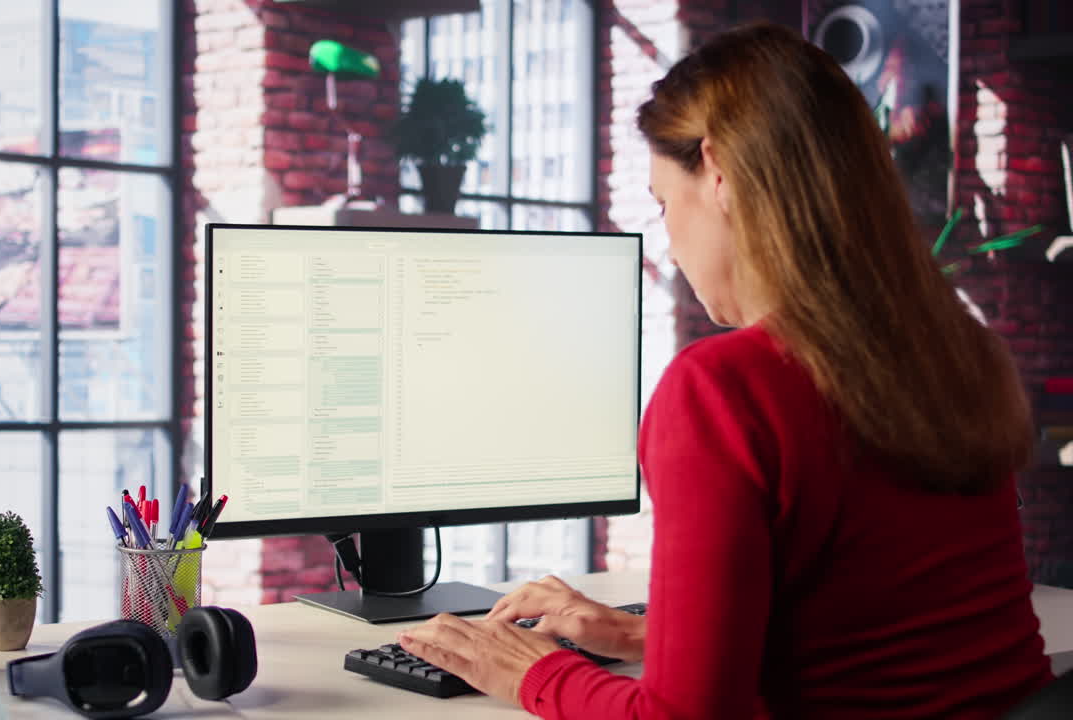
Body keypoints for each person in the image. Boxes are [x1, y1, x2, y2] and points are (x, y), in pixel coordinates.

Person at [396, 22, 1053, 719]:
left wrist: (533, 672)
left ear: (718, 174)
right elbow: (880, 623)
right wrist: (648, 635)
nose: (669, 241)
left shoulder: (724, 389)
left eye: (662, 201)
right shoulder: (960, 354)